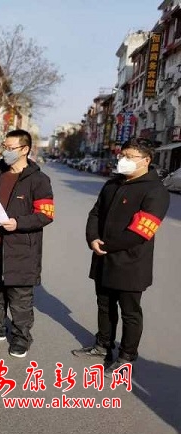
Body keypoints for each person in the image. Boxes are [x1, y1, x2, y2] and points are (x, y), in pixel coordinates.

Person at [73, 138, 169, 375]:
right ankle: (103, 345)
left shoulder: (155, 191)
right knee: (104, 305)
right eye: (121, 155)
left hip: (131, 262)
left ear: (146, 160)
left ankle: (127, 356)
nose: (123, 160)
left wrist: (106, 245)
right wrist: (92, 238)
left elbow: (141, 232)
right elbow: (95, 213)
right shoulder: (112, 184)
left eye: (129, 157)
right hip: (103, 257)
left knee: (130, 312)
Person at [0, 129, 54, 358]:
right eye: (4, 147)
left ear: (25, 149)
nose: (5, 152)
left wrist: (18, 223)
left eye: (11, 148)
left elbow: (46, 214)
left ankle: (21, 338)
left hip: (21, 245)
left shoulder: (38, 180)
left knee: (19, 294)